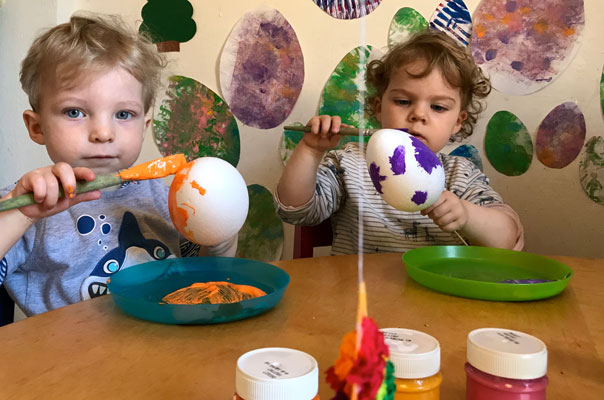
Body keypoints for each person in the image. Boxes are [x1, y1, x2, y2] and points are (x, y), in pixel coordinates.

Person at [0, 14, 237, 317]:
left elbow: (203, 276)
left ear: (144, 125)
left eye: (123, 115)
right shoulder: (30, 203)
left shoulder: (169, 198)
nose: (103, 133)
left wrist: (219, 231)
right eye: (74, 111)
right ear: (37, 127)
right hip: (71, 360)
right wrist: (19, 214)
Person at [275, 30, 524, 255]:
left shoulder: (461, 175)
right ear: (379, 108)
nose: (419, 115)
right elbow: (295, 210)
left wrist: (466, 215)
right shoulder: (348, 163)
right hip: (359, 298)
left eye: (438, 107)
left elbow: (508, 239)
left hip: (440, 301)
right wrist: (310, 151)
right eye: (403, 102)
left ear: (457, 122)